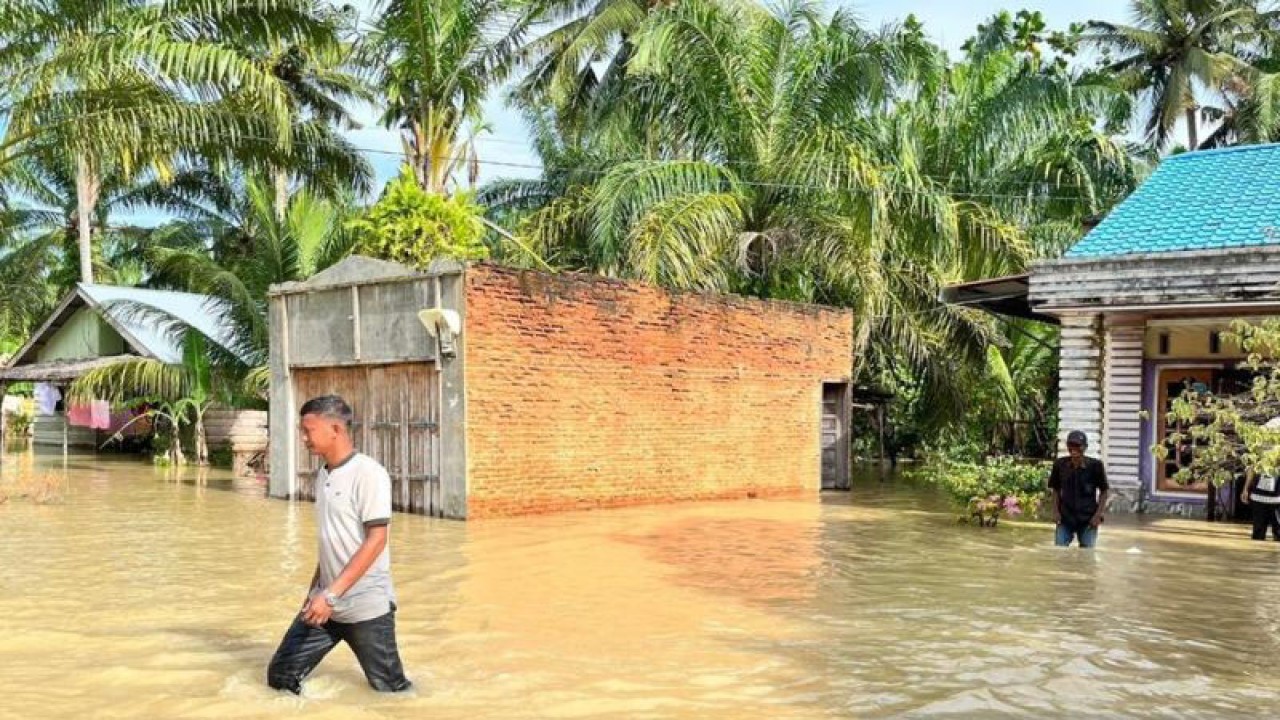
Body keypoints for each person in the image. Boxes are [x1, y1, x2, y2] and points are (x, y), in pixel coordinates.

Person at [267, 395, 412, 694]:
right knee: (280, 677)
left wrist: (330, 595)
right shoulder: (324, 474)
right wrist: (314, 592)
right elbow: (332, 539)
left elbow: (377, 539)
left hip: (365, 607)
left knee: (392, 692)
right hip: (326, 605)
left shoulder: (368, 474)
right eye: (302, 431)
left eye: (309, 431)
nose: (304, 438)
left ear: (335, 429)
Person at [1048, 430, 1110, 548]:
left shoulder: (1096, 466)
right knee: (1059, 552)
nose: (1074, 449)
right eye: (1071, 445)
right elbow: (1055, 489)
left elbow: (1104, 491)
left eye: (1078, 445)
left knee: (1087, 557)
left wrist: (1098, 515)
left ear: (1085, 447)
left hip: (1088, 520)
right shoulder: (1060, 465)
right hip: (1065, 518)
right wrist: (1055, 512)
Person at [1241, 418, 1280, 541]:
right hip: (1260, 496)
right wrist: (1245, 489)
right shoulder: (1258, 449)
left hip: (1276, 497)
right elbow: (1251, 467)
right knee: (1258, 533)